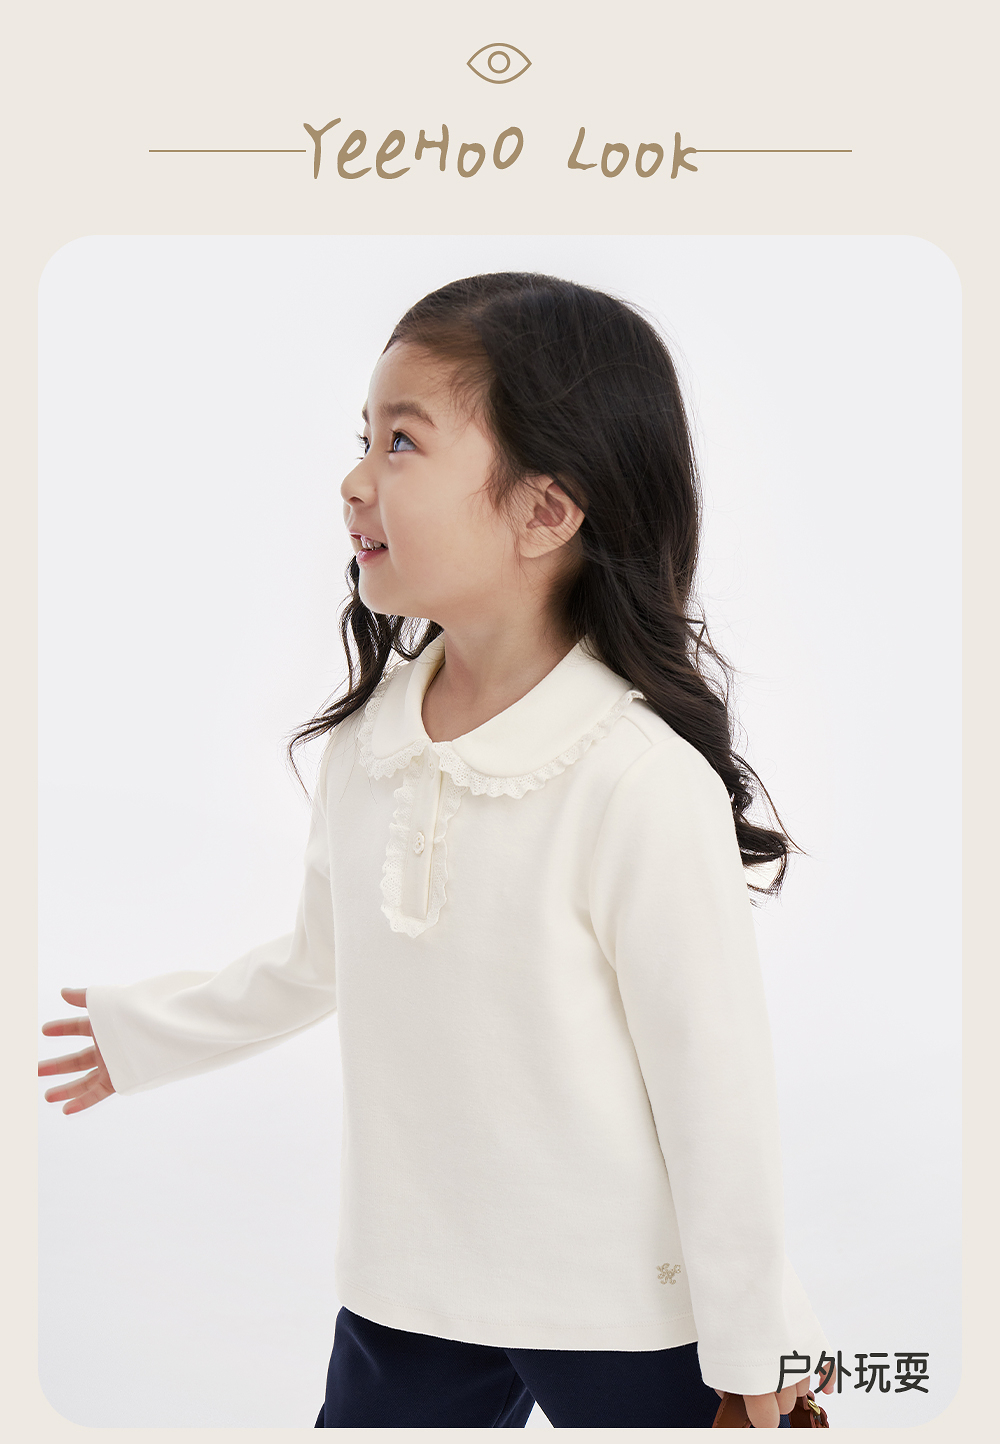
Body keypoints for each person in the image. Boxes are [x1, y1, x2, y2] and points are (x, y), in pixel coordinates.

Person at [39, 271, 837, 1428]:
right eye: (362, 439)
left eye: (402, 442)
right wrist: (145, 1035)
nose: (356, 480)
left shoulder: (633, 781)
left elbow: (714, 1093)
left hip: (620, 1303)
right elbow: (319, 960)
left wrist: (760, 1345)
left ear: (545, 512)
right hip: (409, 1288)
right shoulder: (372, 744)